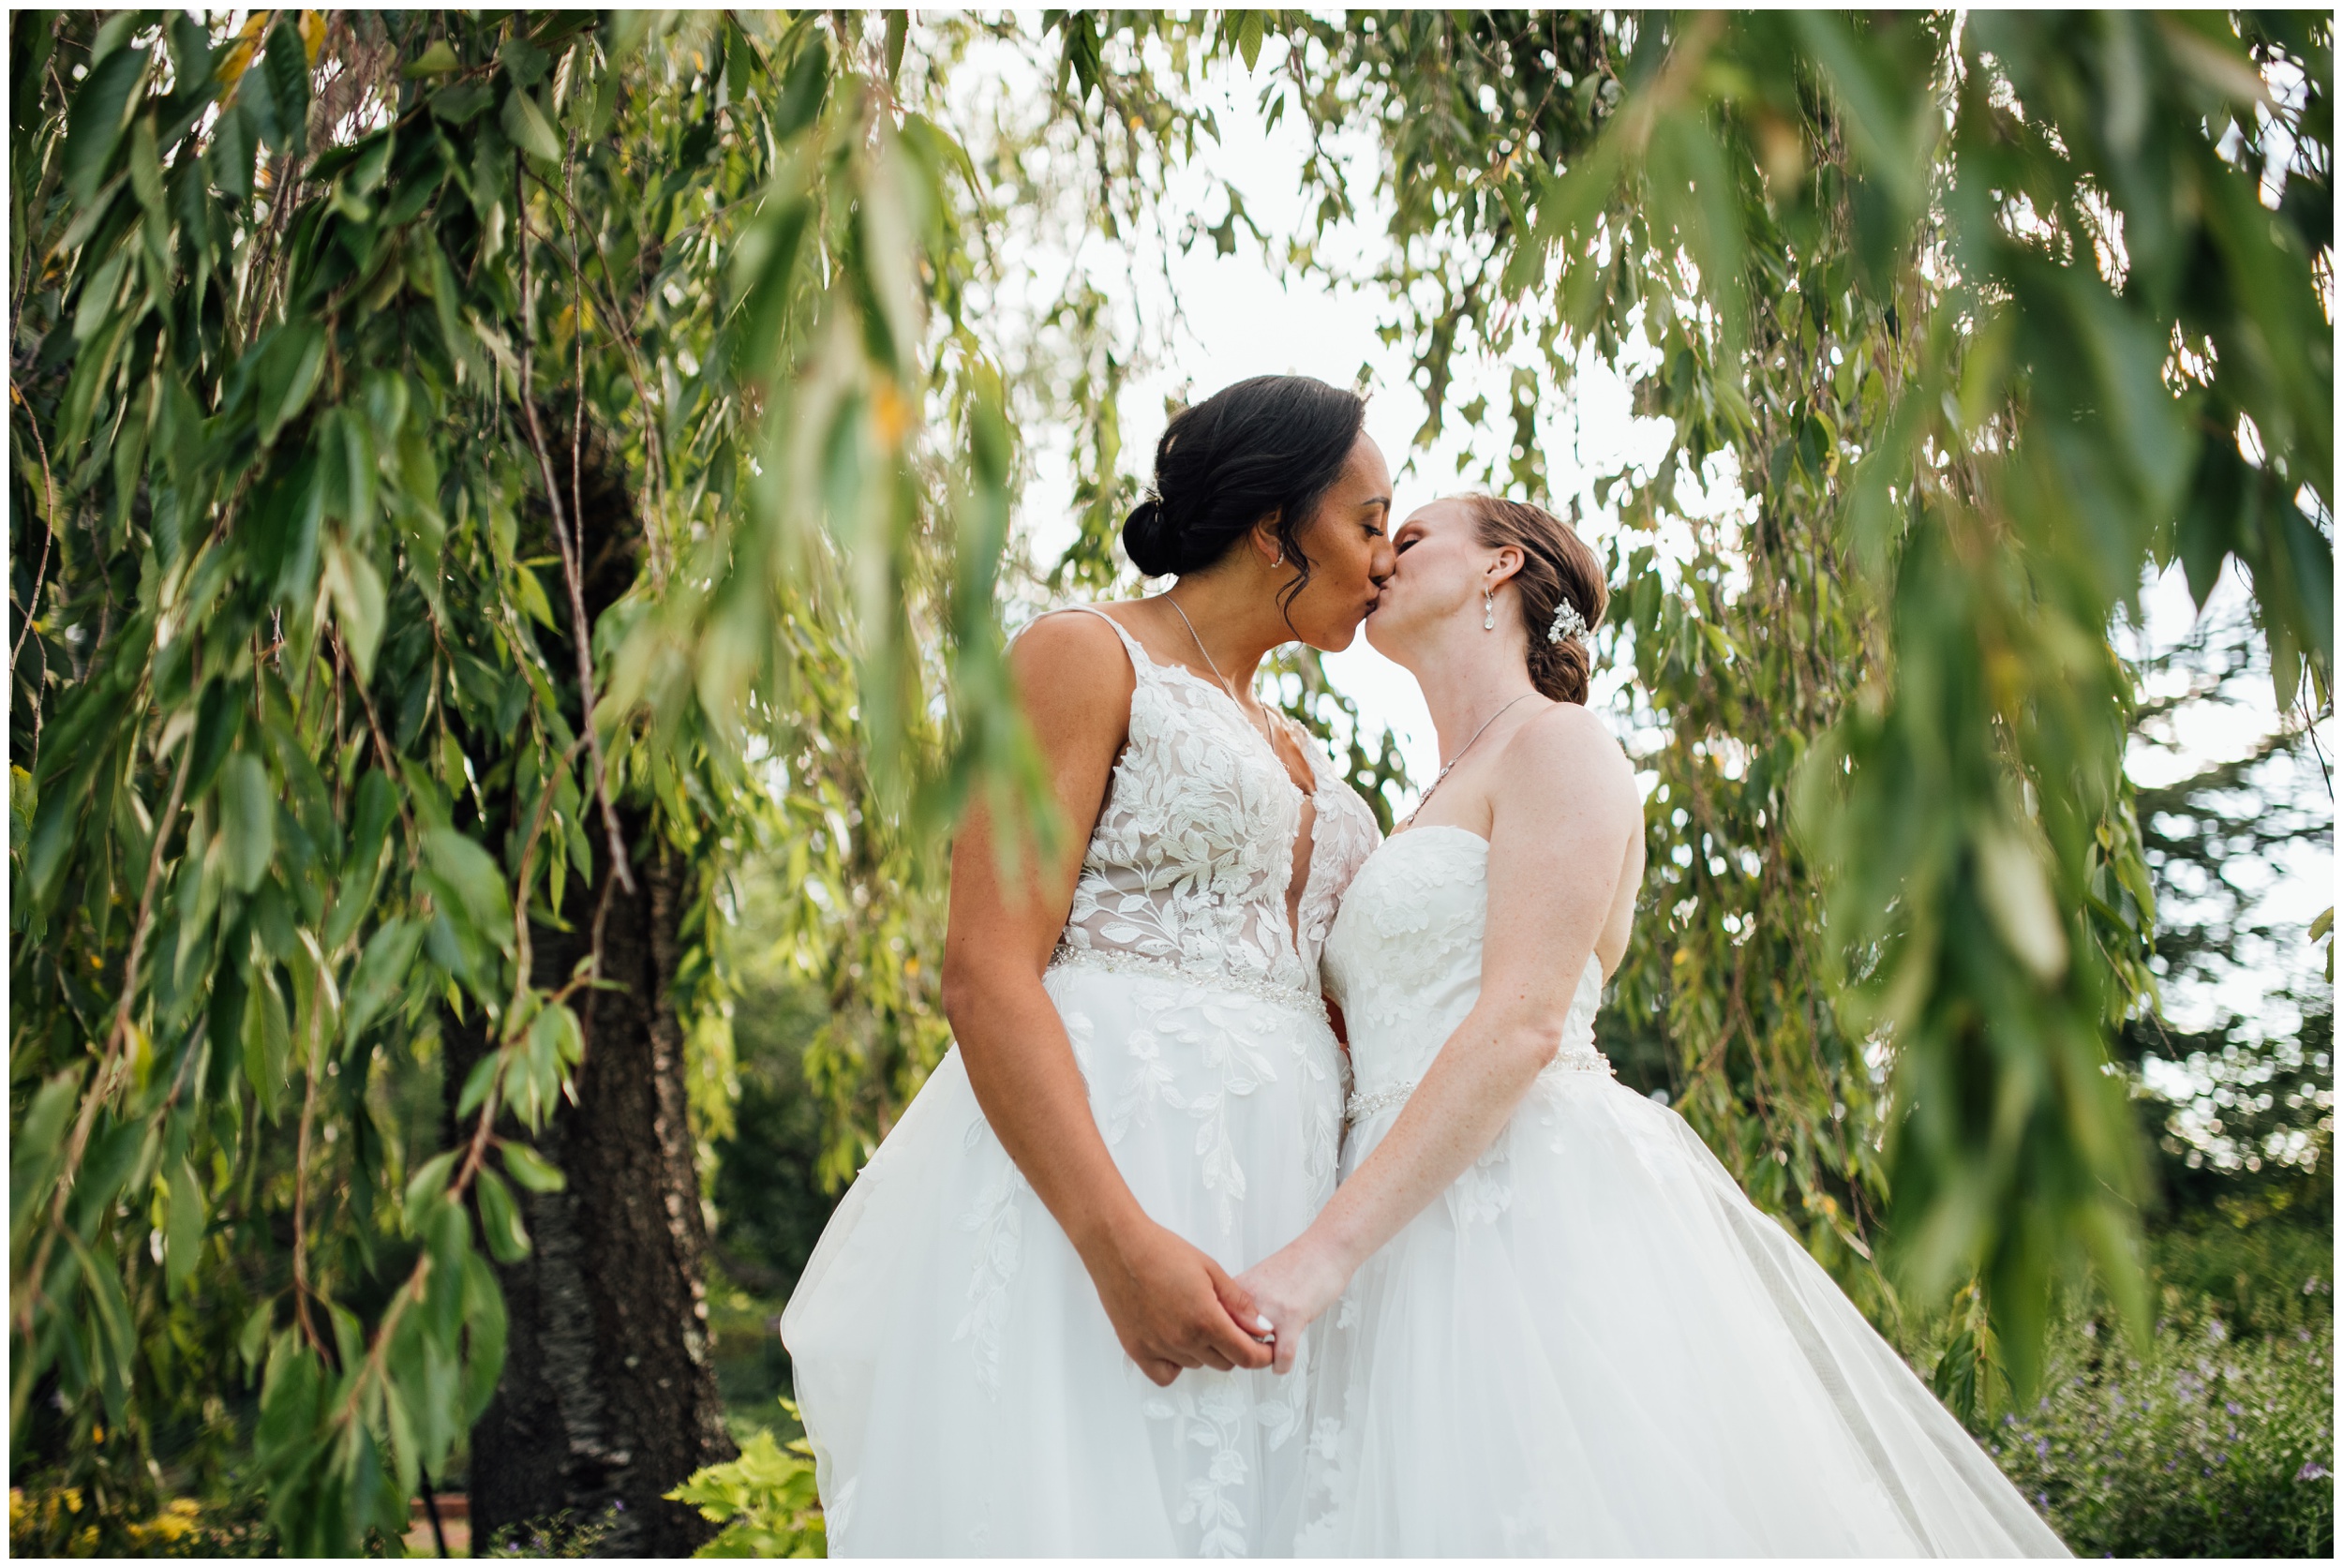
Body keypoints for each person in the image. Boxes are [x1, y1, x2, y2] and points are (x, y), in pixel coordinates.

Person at [1236, 494, 2072, 1557]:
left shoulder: (1560, 745)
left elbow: (1525, 1023)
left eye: (1409, 538)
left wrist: (1321, 1254)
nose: (1379, 559)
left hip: (1519, 1210)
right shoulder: (1437, 794)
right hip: (1397, 1218)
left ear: (1499, 567)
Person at [781, 375, 1395, 1555]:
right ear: (1276, 525)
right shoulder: (1082, 654)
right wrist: (1117, 1244)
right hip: (1110, 1174)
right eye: (1367, 522)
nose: (1384, 559)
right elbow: (985, 969)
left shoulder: (1302, 747)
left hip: (1281, 1200)